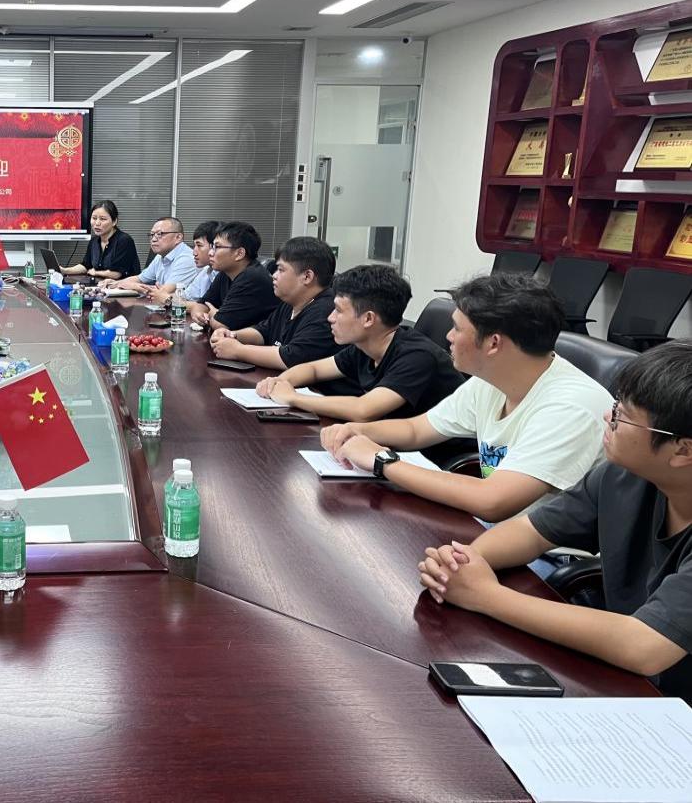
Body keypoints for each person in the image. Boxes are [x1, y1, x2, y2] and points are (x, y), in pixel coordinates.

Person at [418, 342, 692, 700]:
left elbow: (645, 646)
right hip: (624, 681)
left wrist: (485, 595)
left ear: (683, 450)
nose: (607, 418)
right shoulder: (622, 477)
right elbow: (531, 531)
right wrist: (464, 563)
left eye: (622, 416)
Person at [320, 274, 613, 523]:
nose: (448, 336)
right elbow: (417, 429)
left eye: (458, 328)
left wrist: (382, 461)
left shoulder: (570, 407)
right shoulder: (492, 380)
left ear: (493, 343)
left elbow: (492, 501)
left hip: (547, 560)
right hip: (494, 531)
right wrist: (357, 430)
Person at [257, 263, 462, 420]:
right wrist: (281, 382)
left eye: (338, 310)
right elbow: (314, 369)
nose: (330, 318)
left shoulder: (417, 356)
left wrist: (293, 398)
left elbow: (363, 409)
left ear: (368, 319)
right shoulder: (366, 346)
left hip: (442, 458)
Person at [210, 236, 338, 369]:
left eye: (281, 270)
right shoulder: (292, 301)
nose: (274, 276)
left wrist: (238, 351)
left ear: (307, 276)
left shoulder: (327, 311)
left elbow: (293, 358)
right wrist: (232, 335)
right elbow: (264, 332)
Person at [187, 221, 278, 332]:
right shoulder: (226, 272)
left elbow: (221, 325)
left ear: (239, 253)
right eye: (212, 247)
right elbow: (202, 305)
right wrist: (199, 313)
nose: (210, 252)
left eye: (217, 247)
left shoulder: (252, 278)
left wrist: (213, 314)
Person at [103, 216, 196, 299]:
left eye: (160, 234)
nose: (154, 239)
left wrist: (132, 286)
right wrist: (115, 283)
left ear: (178, 237)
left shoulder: (187, 259)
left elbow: (163, 292)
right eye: (152, 235)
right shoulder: (160, 256)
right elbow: (140, 278)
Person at [59, 200, 141, 281]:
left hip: (124, 286)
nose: (97, 223)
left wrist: (96, 273)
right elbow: (86, 266)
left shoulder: (124, 240)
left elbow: (116, 274)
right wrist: (64, 270)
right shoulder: (94, 241)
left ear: (114, 221)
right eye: (94, 218)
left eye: (103, 219)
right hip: (100, 286)